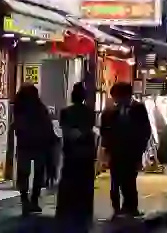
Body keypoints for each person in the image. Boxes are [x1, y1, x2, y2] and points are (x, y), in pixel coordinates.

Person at [100, 82, 153, 218]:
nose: (115, 100)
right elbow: (105, 131)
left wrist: (140, 149)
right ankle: (117, 208)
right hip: (116, 151)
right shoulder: (111, 111)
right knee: (115, 182)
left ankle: (130, 207)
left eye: (117, 96)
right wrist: (106, 149)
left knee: (129, 181)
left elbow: (145, 130)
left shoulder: (138, 108)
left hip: (132, 152)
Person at [56, 83, 97, 225]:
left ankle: (66, 210)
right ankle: (84, 211)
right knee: (85, 184)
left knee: (68, 182)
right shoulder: (90, 112)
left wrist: (73, 135)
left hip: (71, 153)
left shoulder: (65, 112)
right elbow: (90, 129)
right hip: (86, 153)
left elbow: (64, 130)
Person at [12, 83, 56, 214]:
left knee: (23, 173)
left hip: (24, 145)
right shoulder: (40, 108)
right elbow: (47, 126)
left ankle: (25, 200)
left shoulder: (19, 108)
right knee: (38, 173)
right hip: (39, 145)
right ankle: (34, 200)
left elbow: (17, 127)